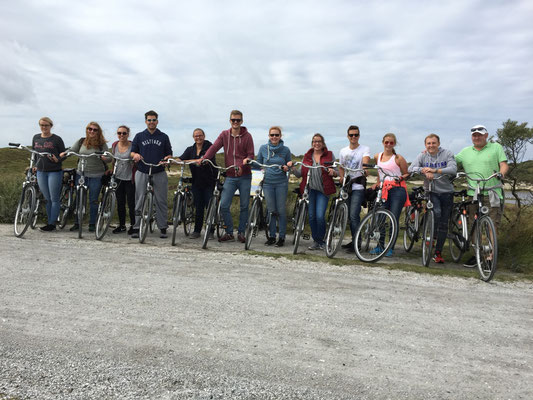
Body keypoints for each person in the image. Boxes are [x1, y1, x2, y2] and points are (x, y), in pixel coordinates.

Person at [455, 124, 508, 267]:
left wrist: (501, 173)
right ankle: (477, 255)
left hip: (492, 193)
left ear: (486, 135)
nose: (477, 137)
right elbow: (451, 160)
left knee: (492, 225)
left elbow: (503, 164)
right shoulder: (465, 152)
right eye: (474, 135)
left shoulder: (496, 147)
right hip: (474, 193)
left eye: (479, 135)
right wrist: (430, 153)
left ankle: (490, 257)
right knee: (474, 224)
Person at [200, 110, 254, 243]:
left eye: (238, 120)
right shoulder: (224, 134)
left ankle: (241, 232)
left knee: (244, 206)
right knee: (223, 205)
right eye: (233, 120)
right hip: (230, 176)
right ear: (230, 121)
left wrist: (245, 162)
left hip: (245, 176)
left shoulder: (247, 136)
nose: (235, 122)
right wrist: (205, 158)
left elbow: (251, 155)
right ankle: (229, 232)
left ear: (242, 121)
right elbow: (214, 147)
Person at [408, 134, 457, 263]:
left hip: (447, 192)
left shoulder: (447, 153)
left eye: (433, 143)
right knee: (437, 213)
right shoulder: (422, 155)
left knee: (444, 223)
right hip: (431, 191)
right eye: (428, 143)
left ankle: (438, 252)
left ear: (438, 143)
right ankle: (430, 238)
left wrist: (435, 171)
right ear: (425, 145)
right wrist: (423, 170)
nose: (431, 145)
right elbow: (411, 168)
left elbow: (453, 169)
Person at [130, 110, 173, 239]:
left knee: (161, 200)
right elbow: (132, 152)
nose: (151, 122)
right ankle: (137, 227)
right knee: (139, 200)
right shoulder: (139, 136)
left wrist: (166, 159)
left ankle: (162, 227)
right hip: (142, 170)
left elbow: (169, 154)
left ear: (157, 121)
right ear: (145, 121)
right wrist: (135, 155)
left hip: (159, 171)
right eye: (149, 120)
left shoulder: (163, 136)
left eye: (154, 120)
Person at [63, 122, 110, 232]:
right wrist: (64, 154)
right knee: (79, 199)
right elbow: (71, 150)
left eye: (95, 130)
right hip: (81, 174)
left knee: (93, 200)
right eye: (90, 129)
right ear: (86, 130)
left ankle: (92, 223)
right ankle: (77, 222)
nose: (92, 131)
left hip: (96, 176)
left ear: (98, 132)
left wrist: (104, 158)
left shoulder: (102, 144)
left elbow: (109, 158)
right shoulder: (81, 141)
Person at [292, 133, 336, 251]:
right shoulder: (307, 156)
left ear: (323, 143)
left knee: (320, 216)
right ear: (312, 143)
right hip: (310, 190)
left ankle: (321, 240)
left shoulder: (329, 155)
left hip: (323, 190)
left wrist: (333, 171)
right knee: (311, 216)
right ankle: (316, 240)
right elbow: (300, 174)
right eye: (314, 141)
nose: (316, 143)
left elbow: (335, 171)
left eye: (319, 141)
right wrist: (292, 169)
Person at [371, 133, 410, 257]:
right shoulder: (377, 156)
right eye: (386, 142)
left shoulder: (398, 158)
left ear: (394, 144)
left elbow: (406, 174)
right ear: (383, 142)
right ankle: (380, 246)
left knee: (393, 218)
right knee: (380, 218)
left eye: (391, 143)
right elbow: (379, 172)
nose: (388, 144)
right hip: (383, 189)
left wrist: (400, 178)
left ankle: (390, 247)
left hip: (397, 190)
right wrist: (377, 183)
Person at [176, 128, 217, 239]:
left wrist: (192, 161)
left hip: (209, 181)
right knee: (198, 206)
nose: (198, 137)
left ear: (204, 136)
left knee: (209, 206)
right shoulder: (190, 149)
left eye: (200, 135)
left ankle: (210, 231)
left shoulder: (209, 147)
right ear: (193, 137)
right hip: (197, 182)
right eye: (196, 136)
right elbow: (181, 159)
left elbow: (207, 158)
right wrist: (171, 159)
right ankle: (197, 231)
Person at [256, 126, 292, 247]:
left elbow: (290, 166)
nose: (274, 137)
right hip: (268, 183)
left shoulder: (286, 150)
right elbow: (258, 164)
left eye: (277, 135)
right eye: (272, 135)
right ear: (269, 136)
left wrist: (288, 167)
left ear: (280, 136)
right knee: (271, 211)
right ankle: (272, 236)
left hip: (281, 183)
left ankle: (281, 237)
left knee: (281, 211)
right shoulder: (262, 148)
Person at [338, 125, 371, 253]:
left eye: (356, 135)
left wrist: (365, 169)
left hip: (358, 186)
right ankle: (354, 239)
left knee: (353, 214)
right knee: (347, 215)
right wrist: (341, 177)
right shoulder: (343, 151)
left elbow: (365, 161)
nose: (353, 137)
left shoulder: (364, 149)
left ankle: (357, 243)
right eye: (351, 135)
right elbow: (341, 166)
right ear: (347, 136)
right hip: (346, 186)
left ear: (359, 136)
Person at [32, 117, 66, 232]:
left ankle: (51, 223)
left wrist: (58, 159)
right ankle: (50, 221)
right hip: (41, 171)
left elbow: (63, 154)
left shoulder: (57, 139)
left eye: (46, 125)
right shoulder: (36, 138)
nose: (44, 127)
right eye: (42, 125)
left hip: (54, 171)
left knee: (54, 198)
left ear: (51, 126)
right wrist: (34, 166)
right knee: (47, 199)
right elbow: (34, 154)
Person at [111, 125, 136, 235]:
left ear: (128, 134)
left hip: (130, 178)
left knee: (131, 203)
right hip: (118, 177)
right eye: (119, 133)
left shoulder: (133, 145)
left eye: (124, 133)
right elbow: (113, 160)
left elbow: (136, 158)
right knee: (120, 203)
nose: (121, 135)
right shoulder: (114, 145)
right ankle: (122, 225)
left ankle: (133, 225)